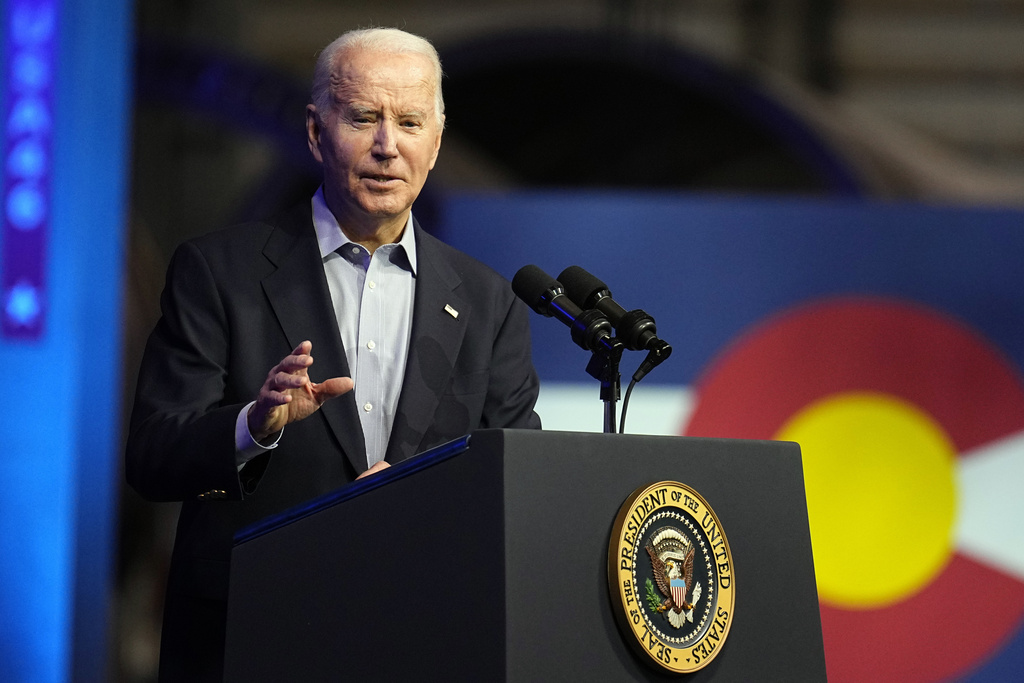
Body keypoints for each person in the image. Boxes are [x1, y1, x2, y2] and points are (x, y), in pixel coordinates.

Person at [126, 27, 541, 681]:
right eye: (364, 118)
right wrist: (250, 428)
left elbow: (516, 490)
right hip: (254, 642)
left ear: (435, 141)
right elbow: (153, 459)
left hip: (422, 645)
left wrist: (423, 504)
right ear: (317, 133)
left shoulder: (490, 303)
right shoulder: (218, 272)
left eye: (409, 121)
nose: (387, 146)